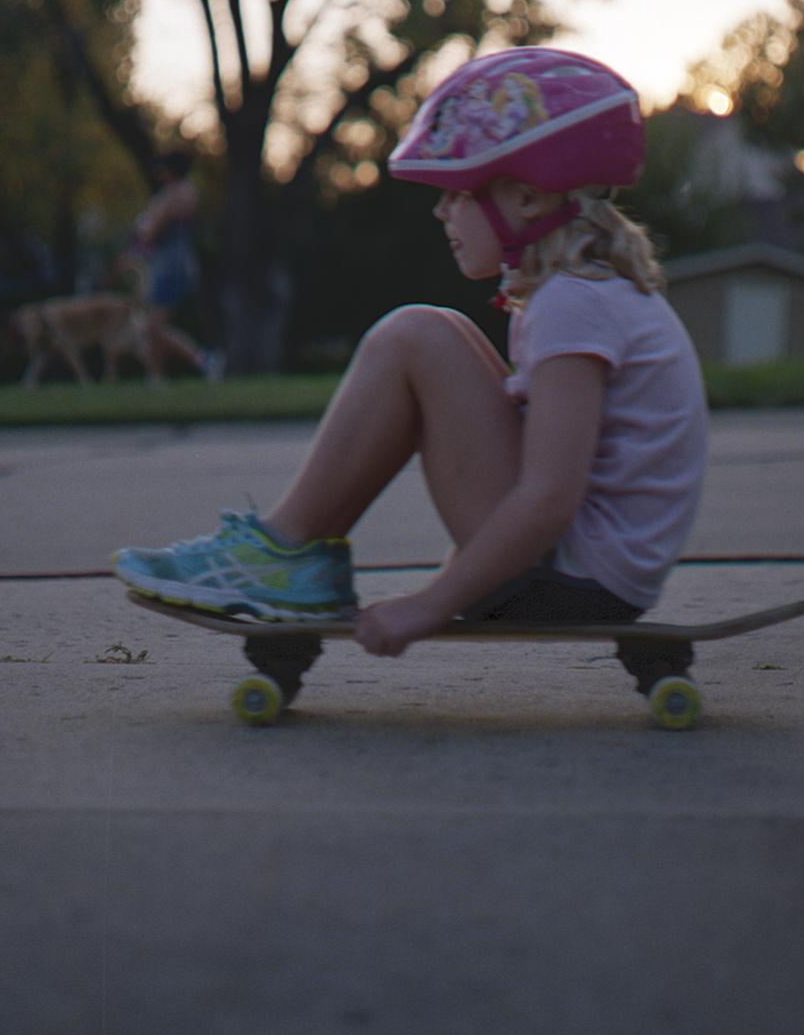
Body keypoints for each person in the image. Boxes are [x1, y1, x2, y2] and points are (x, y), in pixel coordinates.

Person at [113, 48, 708, 657]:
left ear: (527, 199)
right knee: (440, 330)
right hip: (591, 573)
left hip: (571, 577)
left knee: (415, 336)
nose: (440, 210)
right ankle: (293, 554)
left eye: (456, 192)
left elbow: (551, 497)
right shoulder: (585, 293)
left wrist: (431, 603)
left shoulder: (571, 304)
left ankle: (281, 551)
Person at [130, 151, 221, 384]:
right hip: (181, 265)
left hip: (169, 267)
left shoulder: (172, 195)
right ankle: (156, 379)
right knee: (157, 325)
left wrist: (141, 230)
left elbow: (150, 232)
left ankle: (204, 360)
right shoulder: (189, 192)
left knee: (154, 327)